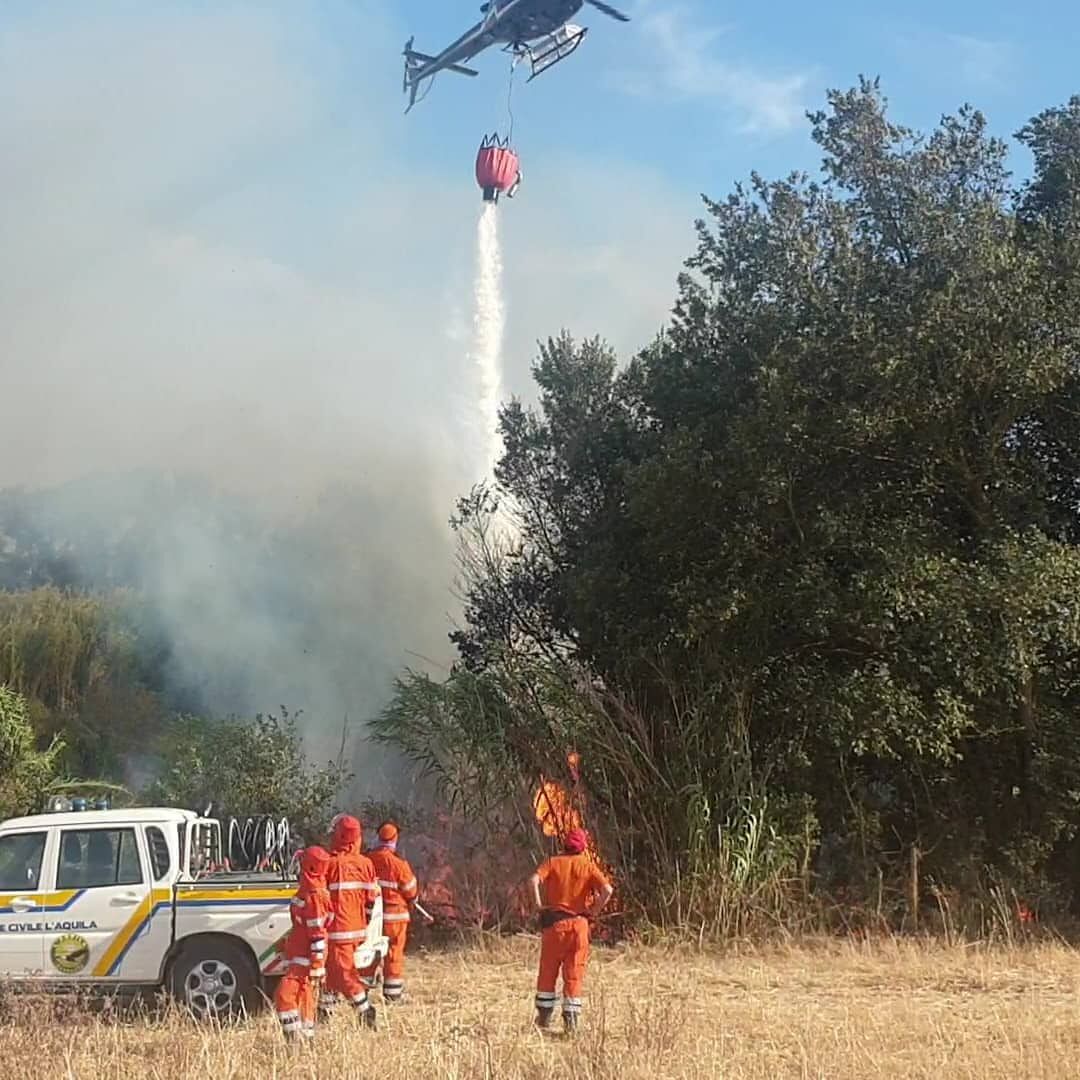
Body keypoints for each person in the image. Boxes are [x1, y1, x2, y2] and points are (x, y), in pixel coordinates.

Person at [528, 827, 613, 1032]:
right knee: (574, 973)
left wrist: (538, 906)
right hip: (579, 926)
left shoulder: (553, 862)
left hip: (554, 926)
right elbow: (607, 890)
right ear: (583, 847)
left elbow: (533, 880)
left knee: (548, 971)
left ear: (564, 844)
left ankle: (544, 1018)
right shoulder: (588, 866)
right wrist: (593, 911)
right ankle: (571, 1023)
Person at [319, 814, 379, 1028]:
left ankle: (365, 1009)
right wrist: (364, 921)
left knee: (344, 973)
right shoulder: (367, 864)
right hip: (356, 928)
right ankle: (324, 1011)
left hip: (337, 930)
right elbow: (371, 899)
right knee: (333, 969)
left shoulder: (330, 864)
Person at [274, 845, 332, 1042]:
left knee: (284, 996)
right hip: (302, 953)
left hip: (305, 958)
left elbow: (317, 933)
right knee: (304, 997)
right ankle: (307, 1037)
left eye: (301, 863)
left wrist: (316, 964)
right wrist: (287, 944)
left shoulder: (313, 896)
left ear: (310, 867)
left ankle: (293, 1038)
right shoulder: (310, 891)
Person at [362, 821, 425, 1003]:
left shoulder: (367, 861)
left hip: (372, 918)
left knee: (370, 951)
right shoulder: (399, 864)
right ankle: (393, 994)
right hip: (395, 918)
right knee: (394, 953)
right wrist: (413, 898)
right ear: (395, 839)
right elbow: (410, 890)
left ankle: (362, 992)